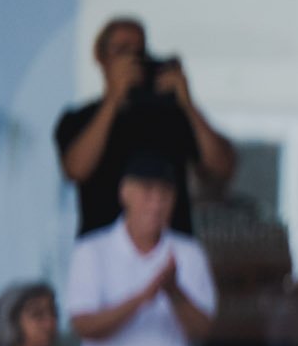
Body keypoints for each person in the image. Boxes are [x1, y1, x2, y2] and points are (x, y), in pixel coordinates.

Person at [61, 159, 217, 346]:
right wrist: (144, 296)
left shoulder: (189, 252)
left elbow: (203, 329)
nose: (156, 203)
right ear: (125, 192)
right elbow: (84, 325)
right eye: (147, 191)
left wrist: (173, 291)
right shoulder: (92, 250)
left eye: (165, 194)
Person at [52, 15, 234, 237]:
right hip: (103, 253)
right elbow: (76, 169)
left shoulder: (170, 116)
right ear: (100, 58)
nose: (133, 60)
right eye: (122, 50)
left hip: (169, 252)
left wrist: (188, 105)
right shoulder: (79, 119)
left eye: (139, 52)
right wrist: (113, 100)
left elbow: (222, 167)